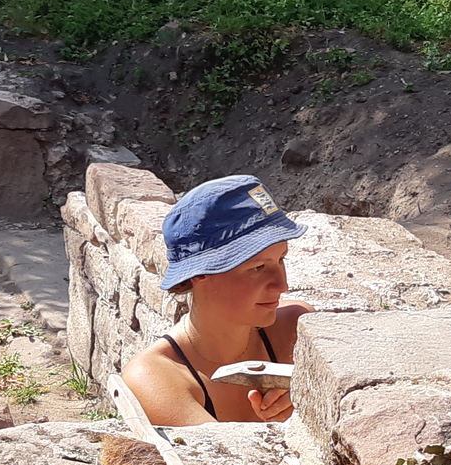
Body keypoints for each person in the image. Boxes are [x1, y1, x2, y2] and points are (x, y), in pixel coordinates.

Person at [120, 174, 315, 427]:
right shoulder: (155, 377)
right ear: (200, 274)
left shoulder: (295, 330)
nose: (282, 285)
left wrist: (308, 405)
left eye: (281, 259)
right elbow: (223, 452)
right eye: (257, 268)